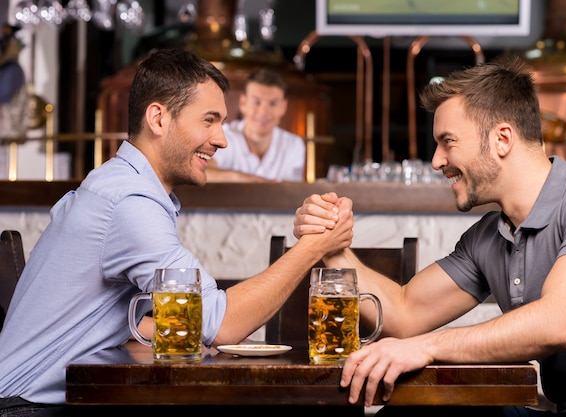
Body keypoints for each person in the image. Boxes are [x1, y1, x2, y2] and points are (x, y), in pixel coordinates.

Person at [0, 48, 353, 416]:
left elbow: (136, 319)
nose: (222, 139)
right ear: (158, 118)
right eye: (209, 120)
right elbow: (223, 324)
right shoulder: (128, 201)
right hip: (26, 409)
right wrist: (314, 246)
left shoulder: (120, 185)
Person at [293, 56, 566, 416]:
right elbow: (405, 312)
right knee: (428, 406)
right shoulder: (487, 236)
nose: (436, 161)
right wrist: (330, 244)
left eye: (447, 141)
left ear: (502, 138)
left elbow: (561, 322)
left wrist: (427, 347)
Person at [205, 67, 306, 182]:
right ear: (243, 103)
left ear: (283, 107)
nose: (263, 112)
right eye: (256, 102)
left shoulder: (294, 144)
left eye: (273, 103)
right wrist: (249, 180)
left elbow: (292, 190)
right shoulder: (224, 136)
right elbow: (205, 173)